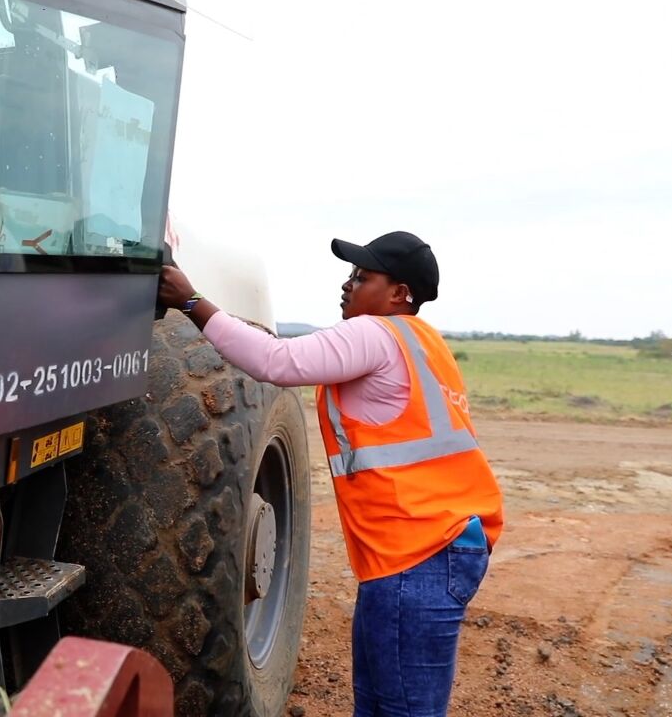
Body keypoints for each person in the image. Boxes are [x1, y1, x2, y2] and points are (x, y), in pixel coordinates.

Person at [157, 230, 504, 717]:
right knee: (384, 703)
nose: (348, 284)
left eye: (363, 276)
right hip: (432, 547)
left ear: (399, 294)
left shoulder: (375, 334)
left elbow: (276, 361)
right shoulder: (425, 343)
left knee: (400, 709)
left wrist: (190, 301)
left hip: (420, 550)